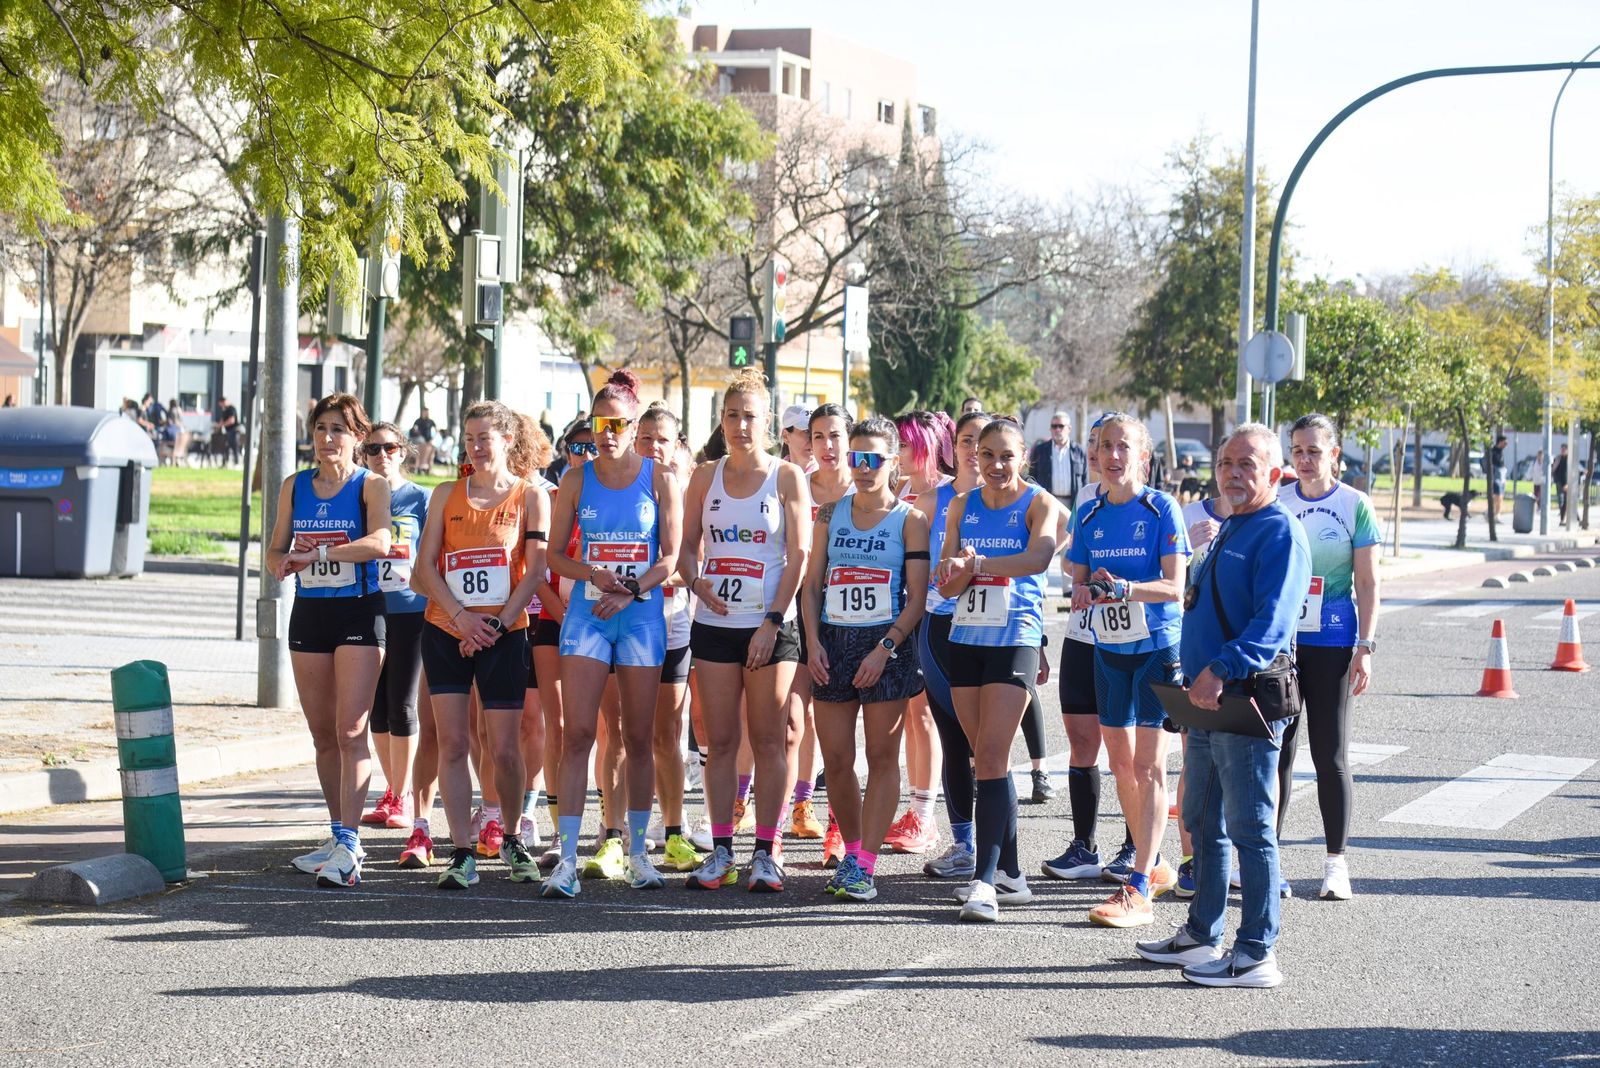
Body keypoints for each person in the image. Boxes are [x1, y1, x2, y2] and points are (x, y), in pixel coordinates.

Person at [1134, 423, 1310, 989]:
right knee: (1203, 819)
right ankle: (1202, 933)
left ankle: (1257, 952)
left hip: (1246, 696)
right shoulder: (1231, 526)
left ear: (1275, 475)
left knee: (1251, 827)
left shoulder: (1278, 530)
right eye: (1226, 462)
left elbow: (1272, 624)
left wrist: (1220, 668)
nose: (1233, 473)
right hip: (1206, 696)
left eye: (1247, 464)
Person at [543, 371, 683, 897]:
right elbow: (554, 556)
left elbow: (670, 557)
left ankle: (639, 854)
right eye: (602, 423)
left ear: (634, 422)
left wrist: (630, 588)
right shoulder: (576, 481)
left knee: (639, 738)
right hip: (588, 614)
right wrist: (591, 575)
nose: (609, 433)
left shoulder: (660, 476)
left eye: (620, 423)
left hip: (641, 614)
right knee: (579, 734)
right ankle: (567, 861)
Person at [678, 368, 810, 892]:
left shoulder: (785, 476)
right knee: (720, 742)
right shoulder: (704, 476)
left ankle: (766, 851)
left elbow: (798, 555)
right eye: (731, 415)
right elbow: (687, 546)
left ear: (768, 421)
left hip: (769, 626)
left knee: (769, 737)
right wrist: (695, 581)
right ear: (722, 421)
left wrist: (773, 620)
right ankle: (721, 850)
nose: (740, 425)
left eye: (750, 415)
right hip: (715, 623)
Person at [410, 401, 550, 890]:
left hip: (503, 635)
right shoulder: (446, 494)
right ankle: (461, 851)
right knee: (452, 742)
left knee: (504, 748)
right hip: (447, 630)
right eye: (469, 437)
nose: (475, 445)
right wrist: (462, 618)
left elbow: (533, 573)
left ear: (508, 440)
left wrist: (493, 625)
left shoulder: (530, 497)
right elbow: (424, 568)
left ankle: (511, 837)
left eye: (485, 436)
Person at [935, 418, 1062, 921]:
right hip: (965, 637)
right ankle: (1009, 871)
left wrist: (978, 564)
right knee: (984, 762)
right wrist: (956, 570)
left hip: (1016, 637)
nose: (995, 465)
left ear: (1023, 456)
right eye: (986, 455)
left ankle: (983, 885)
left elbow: (1039, 557)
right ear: (974, 458)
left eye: (1005, 455)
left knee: (991, 755)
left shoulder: (1039, 503)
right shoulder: (961, 506)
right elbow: (945, 585)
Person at [266, 393, 393, 888]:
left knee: (349, 730)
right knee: (322, 734)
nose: (326, 438)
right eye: (320, 427)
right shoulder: (295, 486)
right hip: (310, 613)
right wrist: (281, 561)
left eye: (338, 429)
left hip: (358, 611)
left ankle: (352, 843)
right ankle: (339, 834)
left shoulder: (371, 485)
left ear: (358, 438)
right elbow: (276, 546)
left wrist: (322, 555)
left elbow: (379, 542)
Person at [1068, 413, 1189, 928]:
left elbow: (1174, 587)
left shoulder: (1161, 508)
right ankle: (1152, 860)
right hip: (1108, 648)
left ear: (1141, 456)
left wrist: (1123, 589)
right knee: (1120, 765)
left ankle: (1138, 884)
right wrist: (1085, 589)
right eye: (1103, 447)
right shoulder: (1089, 515)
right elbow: (1075, 586)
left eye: (1123, 448)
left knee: (1148, 766)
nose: (1112, 456)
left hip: (1158, 647)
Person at [803, 416, 930, 901]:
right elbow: (812, 585)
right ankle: (852, 850)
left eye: (872, 458)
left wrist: (886, 648)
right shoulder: (829, 514)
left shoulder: (910, 520)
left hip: (886, 647)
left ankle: (866, 865)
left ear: (892, 463)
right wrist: (813, 641)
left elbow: (916, 597)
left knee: (881, 756)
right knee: (836, 758)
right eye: (854, 457)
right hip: (832, 643)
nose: (860, 467)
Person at [1275, 413, 1380, 902]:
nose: (1305, 459)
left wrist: (1366, 647)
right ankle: (1266, 859)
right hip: (1281, 644)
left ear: (1334, 453)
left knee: (1328, 753)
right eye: (1297, 450)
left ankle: (1336, 863)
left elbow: (1368, 582)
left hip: (1334, 642)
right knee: (1276, 751)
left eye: (1314, 450)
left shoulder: (1354, 505)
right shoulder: (1279, 501)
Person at [916, 409, 989, 882]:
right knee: (953, 738)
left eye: (983, 442)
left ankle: (997, 847)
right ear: (952, 446)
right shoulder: (930, 500)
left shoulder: (1016, 500)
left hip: (993, 631)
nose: (974, 451)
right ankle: (964, 843)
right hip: (939, 628)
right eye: (966, 441)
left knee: (989, 744)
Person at [635, 404, 706, 873]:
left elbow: (696, 563)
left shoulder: (686, 491)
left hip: (675, 621)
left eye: (663, 439)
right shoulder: (620, 485)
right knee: (623, 735)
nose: (654, 447)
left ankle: (675, 828)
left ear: (678, 445)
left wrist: (671, 577)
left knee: (669, 733)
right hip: (624, 621)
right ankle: (617, 832)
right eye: (646, 438)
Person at [883, 410, 954, 856]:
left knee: (926, 715)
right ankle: (916, 809)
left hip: (938, 616)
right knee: (910, 713)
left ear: (926, 447)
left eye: (905, 446)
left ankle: (926, 816)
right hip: (903, 613)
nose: (898, 454)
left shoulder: (949, 493)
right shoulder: (903, 490)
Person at [357, 423, 429, 839]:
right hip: (368, 607)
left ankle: (402, 796)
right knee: (377, 711)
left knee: (402, 704)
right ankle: (392, 791)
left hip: (410, 610)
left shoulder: (419, 498)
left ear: (403, 452)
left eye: (389, 447)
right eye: (373, 448)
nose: (381, 454)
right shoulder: (361, 496)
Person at [792, 403, 857, 857]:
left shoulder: (867, 488)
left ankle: (839, 826)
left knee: (841, 737)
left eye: (835, 435)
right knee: (792, 723)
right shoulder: (796, 486)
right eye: (818, 437)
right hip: (796, 612)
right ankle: (781, 825)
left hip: (850, 621)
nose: (827, 446)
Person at [1028, 411, 1086, 506]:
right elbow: (1032, 478)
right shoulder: (1040, 451)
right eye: (1054, 426)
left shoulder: (1079, 451)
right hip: (1047, 503)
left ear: (1069, 428)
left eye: (1061, 426)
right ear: (1050, 429)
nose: (1057, 429)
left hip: (1073, 504)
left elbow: (1084, 480)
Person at [780, 404, 814, 470]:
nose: (813, 438)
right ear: (785, 436)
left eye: (817, 433)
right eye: (806, 431)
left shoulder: (831, 475)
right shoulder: (772, 474)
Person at [1485, 435, 1508, 518]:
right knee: (1497, 495)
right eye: (1505, 443)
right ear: (1500, 442)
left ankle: (1497, 513)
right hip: (1496, 477)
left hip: (1502, 476)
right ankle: (1491, 512)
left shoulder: (1501, 451)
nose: (1506, 445)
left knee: (1501, 496)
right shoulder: (1493, 451)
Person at [408, 407, 438, 472]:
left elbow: (436, 430)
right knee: (419, 453)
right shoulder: (418, 421)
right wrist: (418, 433)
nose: (426, 413)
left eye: (427, 412)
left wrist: (432, 439)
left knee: (431, 453)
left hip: (429, 441)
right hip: (420, 440)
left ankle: (427, 468)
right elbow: (414, 428)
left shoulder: (431, 421)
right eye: (424, 412)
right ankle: (418, 467)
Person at [217, 396, 240, 465]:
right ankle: (225, 462)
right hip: (228, 431)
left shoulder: (231, 409)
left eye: (221, 404)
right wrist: (218, 425)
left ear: (223, 402)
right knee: (226, 446)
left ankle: (236, 462)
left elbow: (231, 421)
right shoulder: (225, 410)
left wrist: (222, 425)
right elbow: (222, 419)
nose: (221, 406)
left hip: (233, 431)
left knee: (234, 446)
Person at [1553, 444, 1570, 522]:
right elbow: (1553, 468)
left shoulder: (1569, 459)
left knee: (1566, 501)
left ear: (1567, 450)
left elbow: (1568, 472)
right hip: (1559, 482)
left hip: (1566, 483)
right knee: (1561, 501)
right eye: (1561, 449)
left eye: (1564, 449)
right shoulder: (1558, 458)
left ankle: (1564, 519)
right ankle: (1562, 519)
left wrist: (1567, 483)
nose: (1562, 451)